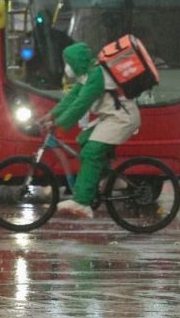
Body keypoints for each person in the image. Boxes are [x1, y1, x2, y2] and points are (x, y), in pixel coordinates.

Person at [39, 42, 141, 218]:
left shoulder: (97, 75)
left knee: (91, 152)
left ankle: (82, 202)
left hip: (121, 119)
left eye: (69, 63)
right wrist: (51, 115)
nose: (67, 67)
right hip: (111, 118)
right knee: (85, 140)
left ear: (77, 62)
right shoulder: (87, 75)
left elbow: (82, 103)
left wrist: (59, 123)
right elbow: (72, 97)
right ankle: (108, 178)